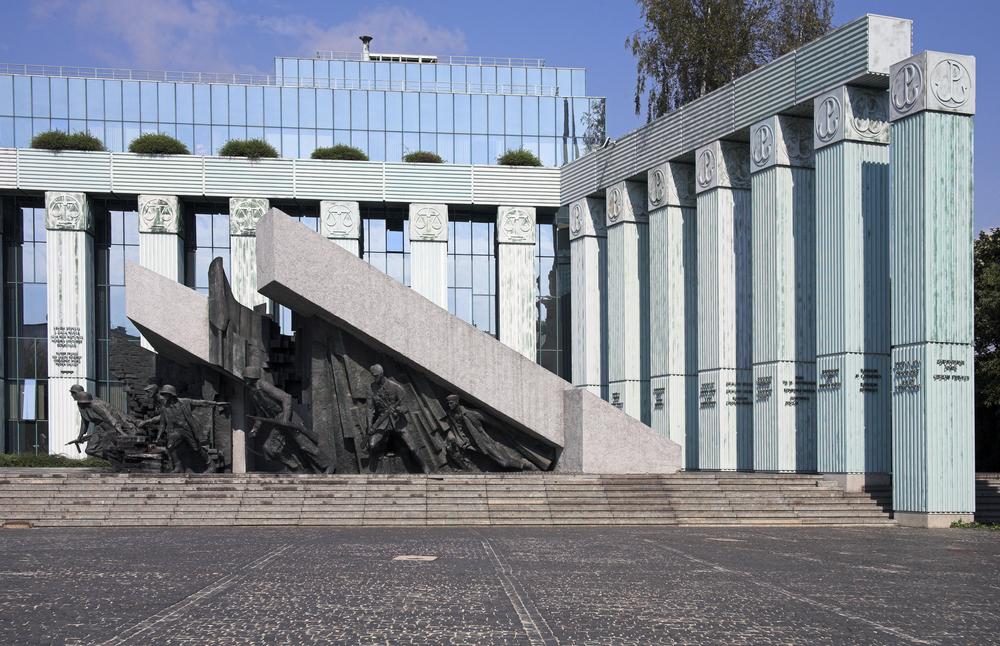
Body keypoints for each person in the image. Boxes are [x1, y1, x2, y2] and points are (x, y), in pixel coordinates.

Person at [244, 365, 335, 474]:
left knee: (305, 444)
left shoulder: (263, 385)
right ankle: (297, 468)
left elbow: (286, 397)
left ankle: (328, 464)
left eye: (246, 377)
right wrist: (255, 429)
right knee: (269, 448)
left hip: (289, 419)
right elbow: (259, 413)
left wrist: (285, 418)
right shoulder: (252, 393)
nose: (245, 379)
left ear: (251, 377)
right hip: (277, 423)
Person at [365, 364, 434, 474]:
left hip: (398, 421)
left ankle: (424, 466)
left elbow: (405, 407)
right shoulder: (371, 388)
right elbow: (369, 409)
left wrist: (398, 410)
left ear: (381, 374)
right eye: (373, 375)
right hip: (383, 421)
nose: (374, 378)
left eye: (376, 375)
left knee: (412, 447)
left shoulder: (397, 388)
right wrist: (369, 426)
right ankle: (381, 451)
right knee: (372, 444)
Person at [445, 394, 535, 471]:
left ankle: (524, 464)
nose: (449, 405)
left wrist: (508, 432)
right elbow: (451, 428)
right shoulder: (451, 415)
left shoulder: (471, 413)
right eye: (448, 403)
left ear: (457, 402)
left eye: (451, 403)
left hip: (483, 442)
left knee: (504, 462)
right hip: (466, 444)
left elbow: (493, 423)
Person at [157, 385, 216, 473]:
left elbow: (201, 403)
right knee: (170, 446)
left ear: (171, 394)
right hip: (175, 431)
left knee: (197, 448)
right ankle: (178, 466)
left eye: (166, 394)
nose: (164, 397)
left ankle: (210, 464)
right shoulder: (164, 408)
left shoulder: (184, 402)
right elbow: (162, 424)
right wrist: (158, 436)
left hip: (186, 429)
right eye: (164, 394)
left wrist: (217, 404)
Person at [68, 390, 129, 469]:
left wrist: (121, 432)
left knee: (107, 447)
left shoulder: (95, 404)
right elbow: (84, 421)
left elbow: (109, 418)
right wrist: (80, 436)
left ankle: (120, 463)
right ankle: (118, 461)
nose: (72, 395)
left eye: (73, 393)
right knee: (90, 450)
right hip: (98, 427)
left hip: (109, 426)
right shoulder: (81, 405)